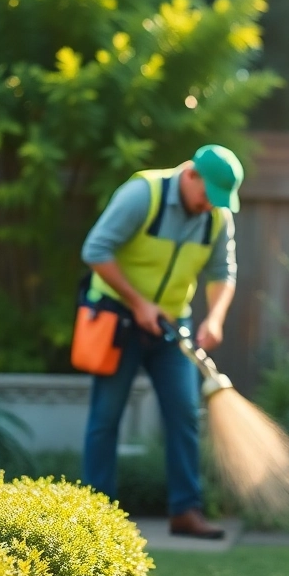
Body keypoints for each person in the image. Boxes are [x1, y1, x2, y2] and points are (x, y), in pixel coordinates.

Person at [79, 144, 241, 539]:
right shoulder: (143, 195)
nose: (210, 206)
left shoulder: (216, 217)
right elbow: (95, 250)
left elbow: (224, 271)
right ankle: (97, 519)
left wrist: (215, 318)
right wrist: (138, 303)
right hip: (118, 317)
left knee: (184, 413)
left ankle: (185, 511)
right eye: (207, 196)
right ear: (190, 175)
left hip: (171, 324)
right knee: (106, 417)